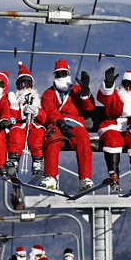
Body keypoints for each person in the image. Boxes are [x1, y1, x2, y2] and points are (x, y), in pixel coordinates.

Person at [40, 58, 95, 192]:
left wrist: (85, 93)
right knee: (51, 137)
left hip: (75, 124)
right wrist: (60, 123)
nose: (61, 76)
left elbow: (89, 107)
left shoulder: (77, 90)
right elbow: (50, 110)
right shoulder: (48, 93)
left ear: (68, 73)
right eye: (58, 74)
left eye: (63, 73)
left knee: (83, 138)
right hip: (57, 124)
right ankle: (51, 176)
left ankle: (85, 178)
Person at [96, 67, 131, 191]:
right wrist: (108, 85)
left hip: (129, 127)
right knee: (114, 140)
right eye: (126, 84)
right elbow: (103, 97)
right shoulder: (114, 94)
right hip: (111, 125)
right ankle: (114, 176)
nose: (128, 88)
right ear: (122, 83)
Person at [6, 62, 48, 177]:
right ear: (17, 86)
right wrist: (14, 106)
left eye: (27, 84)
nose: (24, 88)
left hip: (34, 125)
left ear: (31, 85)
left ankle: (37, 163)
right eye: (21, 85)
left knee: (38, 136)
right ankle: (14, 162)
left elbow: (44, 119)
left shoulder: (38, 100)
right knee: (16, 135)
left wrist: (37, 112)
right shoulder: (15, 99)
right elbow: (11, 119)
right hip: (19, 125)